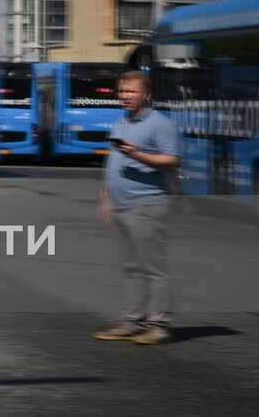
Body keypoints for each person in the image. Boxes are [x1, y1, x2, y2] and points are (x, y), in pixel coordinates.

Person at [94, 69, 180, 346]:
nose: (125, 96)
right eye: (122, 91)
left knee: (153, 268)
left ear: (147, 94)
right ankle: (131, 321)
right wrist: (105, 195)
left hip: (146, 205)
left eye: (131, 91)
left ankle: (159, 324)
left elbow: (172, 161)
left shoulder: (160, 124)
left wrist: (137, 154)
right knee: (131, 268)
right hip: (121, 205)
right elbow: (112, 162)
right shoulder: (121, 121)